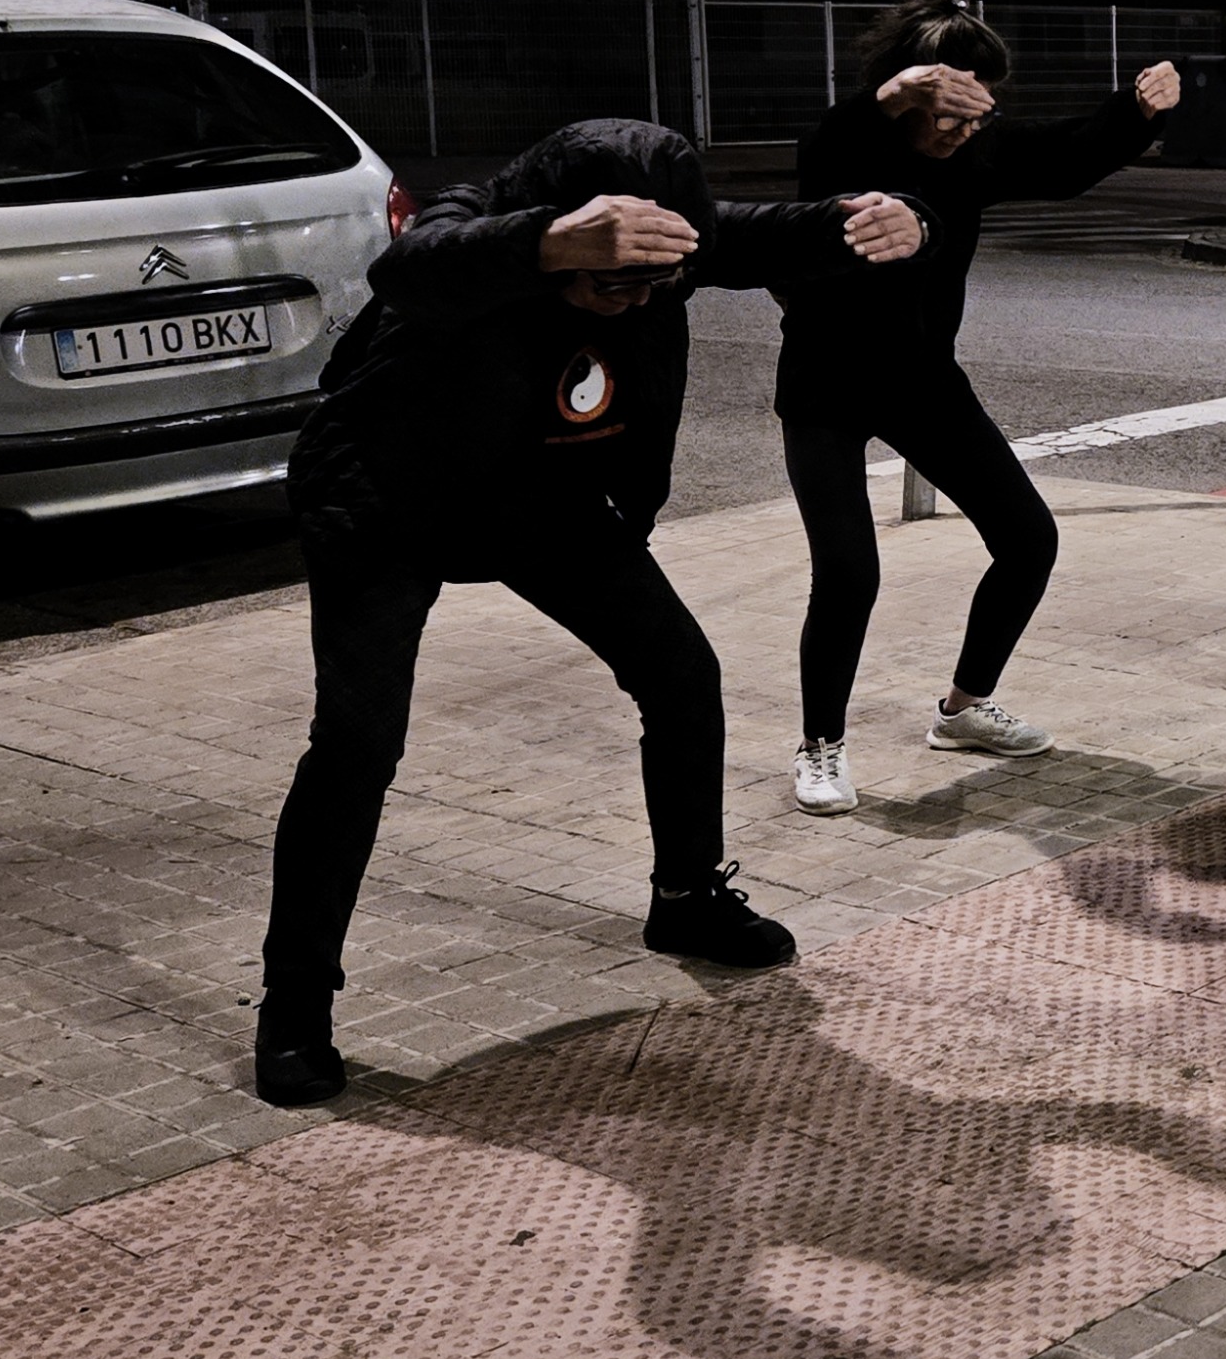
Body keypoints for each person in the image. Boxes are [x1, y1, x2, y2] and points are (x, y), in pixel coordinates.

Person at [255, 121, 928, 1106]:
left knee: (682, 678)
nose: (636, 299)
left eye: (652, 284)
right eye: (610, 279)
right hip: (386, 501)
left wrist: (906, 216)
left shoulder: (668, 246)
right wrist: (548, 244)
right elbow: (414, 266)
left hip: (547, 502)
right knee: (358, 744)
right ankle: (294, 1005)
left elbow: (796, 231)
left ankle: (687, 899)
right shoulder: (480, 227)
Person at [770, 0, 1180, 815]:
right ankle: (820, 747)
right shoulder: (845, 143)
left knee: (1028, 541)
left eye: (973, 118)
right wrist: (895, 96)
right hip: (825, 385)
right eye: (946, 115)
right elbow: (834, 151)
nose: (961, 135)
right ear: (908, 94)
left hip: (923, 381)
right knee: (849, 572)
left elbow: (1064, 159)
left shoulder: (976, 153)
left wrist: (1136, 112)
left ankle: (963, 709)